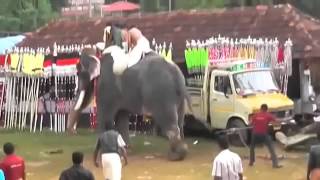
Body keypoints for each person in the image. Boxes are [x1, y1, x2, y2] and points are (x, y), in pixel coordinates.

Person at [249, 104, 282, 168]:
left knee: (252, 148)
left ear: (260, 109)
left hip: (255, 134)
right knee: (271, 148)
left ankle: (251, 162)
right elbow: (277, 120)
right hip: (264, 134)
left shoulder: (255, 115)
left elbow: (250, 123)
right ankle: (275, 164)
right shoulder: (268, 115)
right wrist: (287, 119)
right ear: (266, 110)